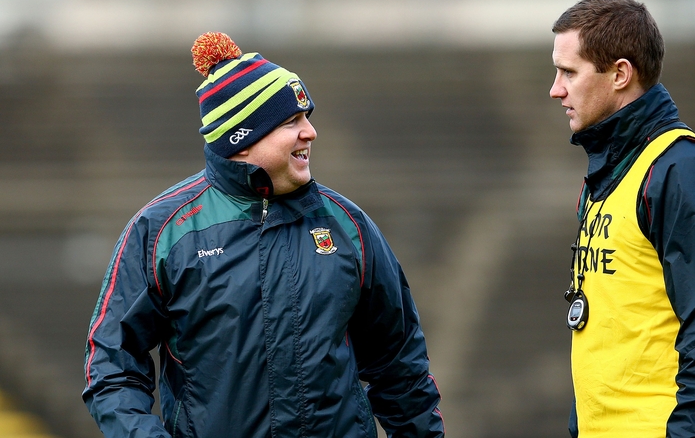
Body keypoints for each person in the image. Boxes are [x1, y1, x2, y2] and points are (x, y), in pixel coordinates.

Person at [82, 31, 445, 438]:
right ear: (242, 138)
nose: (310, 132)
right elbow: (112, 368)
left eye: (307, 117)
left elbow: (401, 368)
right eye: (292, 121)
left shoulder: (349, 225)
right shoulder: (162, 231)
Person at [549, 0, 695, 438]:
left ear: (620, 74)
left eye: (569, 72)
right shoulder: (607, 174)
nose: (555, 89)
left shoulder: (683, 171)